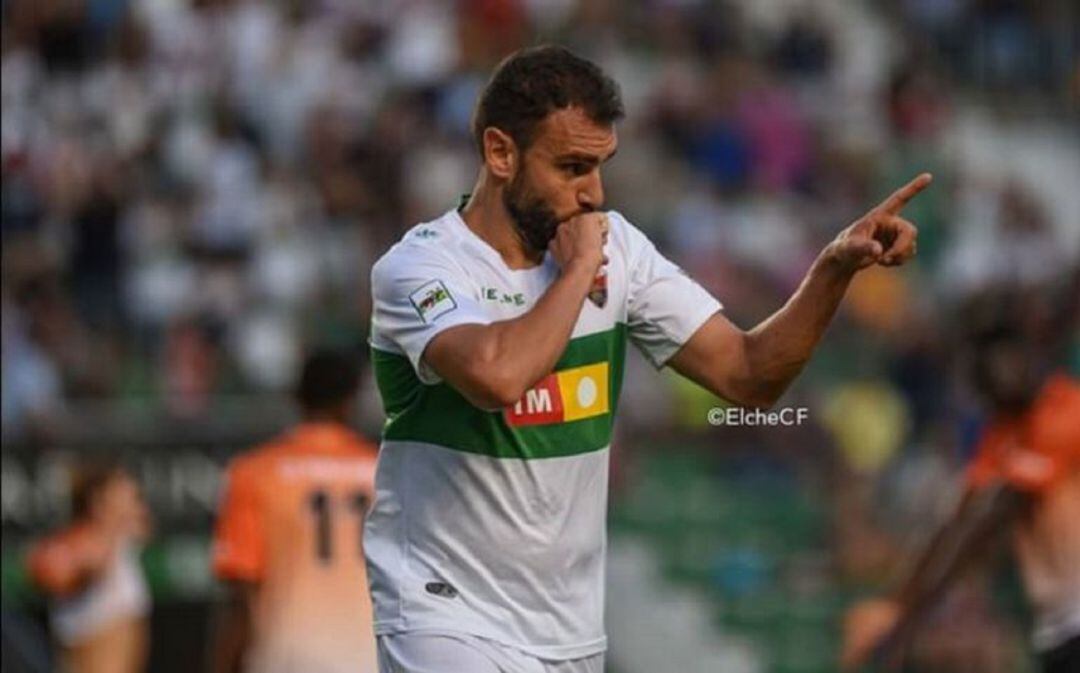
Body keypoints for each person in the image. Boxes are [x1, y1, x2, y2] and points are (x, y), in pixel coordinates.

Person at [365, 44, 929, 672]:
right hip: (442, 616)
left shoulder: (621, 250)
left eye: (601, 166)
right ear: (500, 153)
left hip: (567, 633)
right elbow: (496, 377)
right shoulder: (421, 267)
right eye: (572, 167)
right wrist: (578, 270)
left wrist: (833, 268)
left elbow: (748, 376)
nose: (593, 193)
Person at [841, 295, 1080, 673]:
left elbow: (992, 514)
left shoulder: (1065, 414)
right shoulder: (1002, 434)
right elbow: (959, 518)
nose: (999, 369)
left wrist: (907, 612)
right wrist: (895, 603)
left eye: (1007, 352)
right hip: (1057, 628)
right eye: (984, 357)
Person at [210, 350, 379, 673]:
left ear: (297, 397)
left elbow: (241, 590)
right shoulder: (382, 471)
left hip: (286, 656)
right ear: (352, 399)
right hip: (368, 657)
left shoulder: (256, 472)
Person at [26, 464, 152, 673]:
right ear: (99, 502)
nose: (137, 506)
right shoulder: (84, 543)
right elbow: (50, 572)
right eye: (128, 497)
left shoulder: (123, 545)